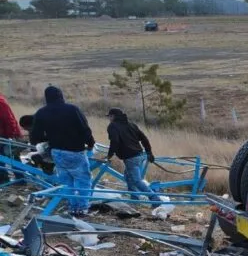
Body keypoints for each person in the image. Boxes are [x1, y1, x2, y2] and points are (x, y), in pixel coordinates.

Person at [29, 86, 95, 217]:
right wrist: (91, 143)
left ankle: (72, 207)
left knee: (66, 181)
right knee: (82, 180)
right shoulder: (72, 109)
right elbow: (85, 129)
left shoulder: (41, 112)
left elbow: (34, 136)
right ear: (61, 95)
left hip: (57, 152)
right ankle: (82, 208)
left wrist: (50, 138)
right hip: (75, 151)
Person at [105, 108, 162, 206]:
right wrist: (149, 152)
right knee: (128, 177)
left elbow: (114, 141)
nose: (109, 119)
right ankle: (134, 199)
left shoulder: (113, 126)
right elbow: (144, 138)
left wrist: (109, 156)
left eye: (109, 116)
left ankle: (155, 199)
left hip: (131, 157)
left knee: (136, 180)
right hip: (139, 155)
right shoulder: (131, 125)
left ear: (113, 116)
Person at [0, 91, 21, 183]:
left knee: (12, 156)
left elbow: (8, 119)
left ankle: (19, 180)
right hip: (5, 134)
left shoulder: (1, 103)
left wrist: (12, 134)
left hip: (4, 135)